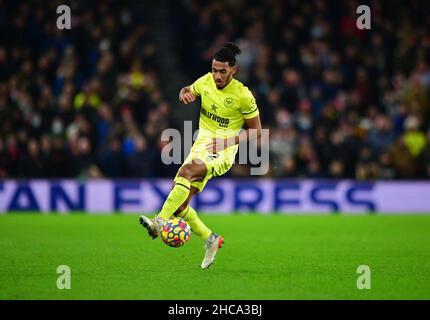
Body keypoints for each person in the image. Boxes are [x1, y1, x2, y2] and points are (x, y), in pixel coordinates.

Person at [139, 43, 262, 269]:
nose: (217, 75)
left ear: (233, 71)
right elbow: (188, 89)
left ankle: (159, 222)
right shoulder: (205, 80)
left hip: (223, 149)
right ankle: (210, 239)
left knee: (185, 172)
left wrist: (227, 141)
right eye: (214, 70)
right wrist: (183, 93)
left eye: (222, 71)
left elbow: (256, 131)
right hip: (201, 144)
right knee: (180, 204)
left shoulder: (243, 95)